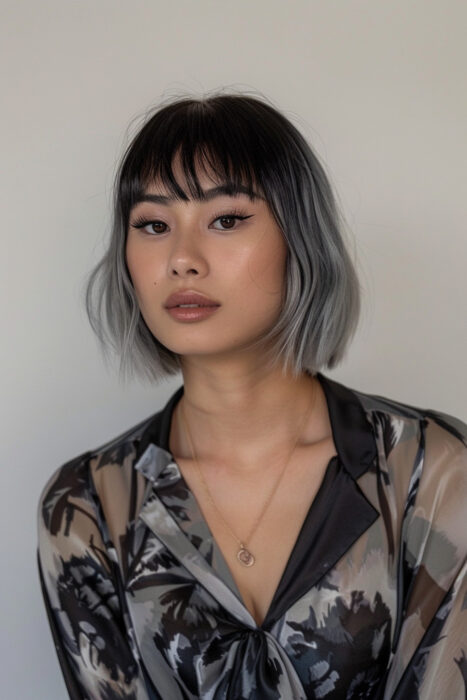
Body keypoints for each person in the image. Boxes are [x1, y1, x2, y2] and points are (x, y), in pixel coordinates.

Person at [36, 91, 466, 700]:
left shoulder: (430, 470)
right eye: (153, 225)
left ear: (299, 237)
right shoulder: (87, 507)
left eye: (227, 219)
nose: (183, 259)